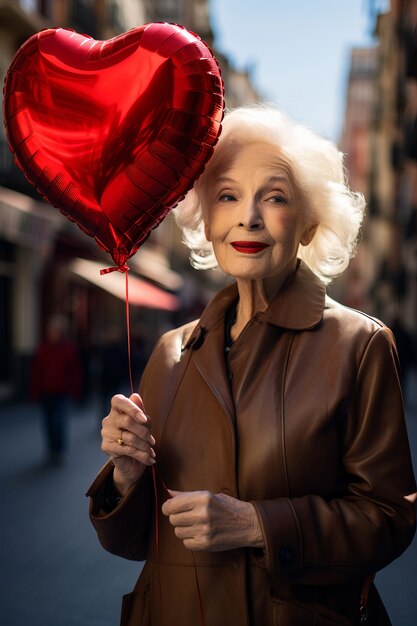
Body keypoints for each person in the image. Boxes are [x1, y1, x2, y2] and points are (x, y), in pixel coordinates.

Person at [87, 105, 416, 626]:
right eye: (228, 196)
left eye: (276, 197)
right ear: (207, 220)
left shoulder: (359, 344)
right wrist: (127, 478)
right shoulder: (171, 352)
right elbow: (140, 544)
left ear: (308, 224)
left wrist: (257, 525)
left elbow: (391, 518)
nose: (249, 217)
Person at [30, 314, 82, 466]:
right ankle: (51, 450)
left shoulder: (68, 349)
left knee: (59, 422)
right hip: (46, 393)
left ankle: (59, 451)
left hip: (61, 393)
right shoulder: (42, 349)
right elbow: (36, 372)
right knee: (47, 423)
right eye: (51, 330)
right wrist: (35, 392)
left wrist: (74, 391)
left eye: (55, 330)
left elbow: (75, 372)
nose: (53, 333)